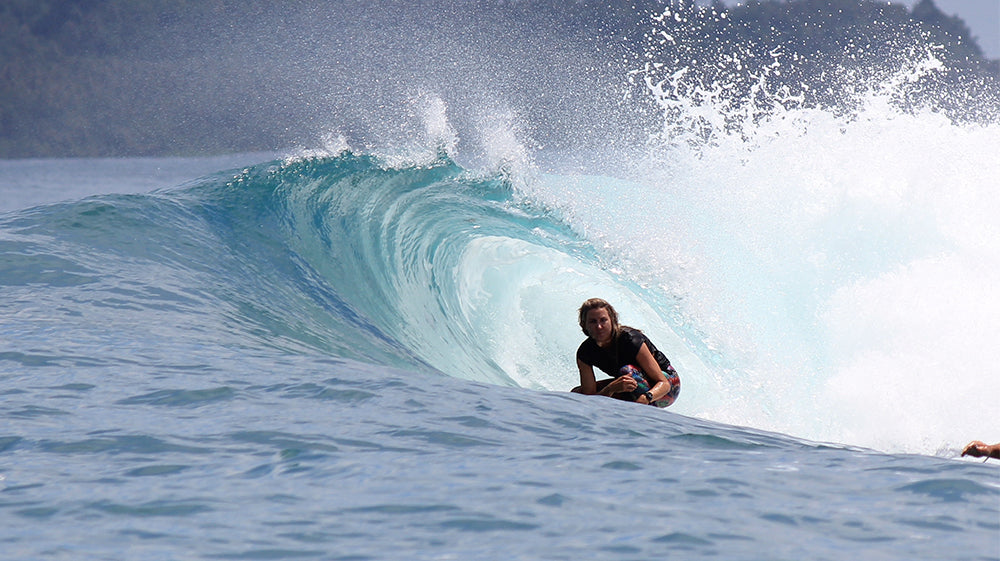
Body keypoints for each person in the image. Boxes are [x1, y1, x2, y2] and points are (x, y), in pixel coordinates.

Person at [572, 297, 680, 407]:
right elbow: (589, 397)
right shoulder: (585, 352)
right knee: (577, 394)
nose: (599, 326)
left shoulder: (631, 339)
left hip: (667, 387)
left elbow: (664, 384)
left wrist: (646, 398)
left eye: (603, 320)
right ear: (584, 325)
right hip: (633, 384)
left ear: (612, 320)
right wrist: (610, 389)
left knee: (627, 371)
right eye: (593, 322)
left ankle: (638, 408)